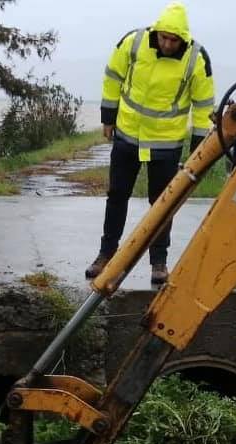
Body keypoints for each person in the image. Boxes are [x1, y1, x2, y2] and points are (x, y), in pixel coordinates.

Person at [86, 1, 215, 284]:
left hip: (165, 146)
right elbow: (112, 77)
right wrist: (108, 116)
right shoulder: (133, 42)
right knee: (117, 196)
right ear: (156, 32)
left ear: (183, 38)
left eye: (174, 40)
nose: (168, 44)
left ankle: (159, 262)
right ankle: (106, 255)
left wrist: (198, 147)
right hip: (127, 138)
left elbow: (204, 106)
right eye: (164, 37)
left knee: (162, 205)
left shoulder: (196, 58)